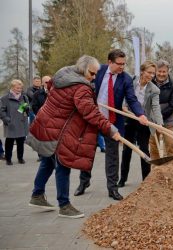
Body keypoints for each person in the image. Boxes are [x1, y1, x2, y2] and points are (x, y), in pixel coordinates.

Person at [27, 55, 120, 218]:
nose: (94, 77)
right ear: (83, 70)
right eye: (91, 73)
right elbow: (90, 113)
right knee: (63, 164)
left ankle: (37, 195)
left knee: (48, 160)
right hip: (57, 129)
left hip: (45, 123)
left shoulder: (63, 74)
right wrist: (111, 129)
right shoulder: (81, 88)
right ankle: (64, 205)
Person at [74, 49, 147, 200]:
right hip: (92, 119)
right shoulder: (98, 71)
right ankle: (84, 181)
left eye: (124, 64)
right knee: (87, 152)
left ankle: (112, 188)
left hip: (112, 122)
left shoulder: (126, 79)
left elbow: (132, 99)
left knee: (112, 155)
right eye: (119, 64)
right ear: (109, 62)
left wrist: (140, 114)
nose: (122, 67)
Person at [118, 60, 163, 186]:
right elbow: (124, 98)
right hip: (129, 118)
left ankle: (146, 180)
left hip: (144, 121)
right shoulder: (131, 81)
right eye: (149, 72)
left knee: (144, 150)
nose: (151, 76)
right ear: (142, 71)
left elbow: (156, 107)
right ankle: (123, 179)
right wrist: (124, 107)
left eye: (153, 73)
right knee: (127, 149)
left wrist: (159, 124)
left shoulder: (154, 89)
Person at [149, 59, 173, 166]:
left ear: (168, 71)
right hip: (152, 122)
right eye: (159, 71)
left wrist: (159, 117)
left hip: (168, 122)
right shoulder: (150, 83)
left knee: (171, 146)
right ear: (156, 71)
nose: (161, 74)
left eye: (164, 72)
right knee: (154, 148)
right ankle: (156, 173)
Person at [0, 79, 30, 165]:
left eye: (20, 88)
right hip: (11, 123)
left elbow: (28, 107)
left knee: (21, 141)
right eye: (17, 88)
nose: (19, 90)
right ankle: (8, 159)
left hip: (21, 122)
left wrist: (27, 108)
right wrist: (7, 119)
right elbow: (1, 111)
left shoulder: (24, 97)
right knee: (9, 142)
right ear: (12, 87)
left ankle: (20, 158)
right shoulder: (5, 98)